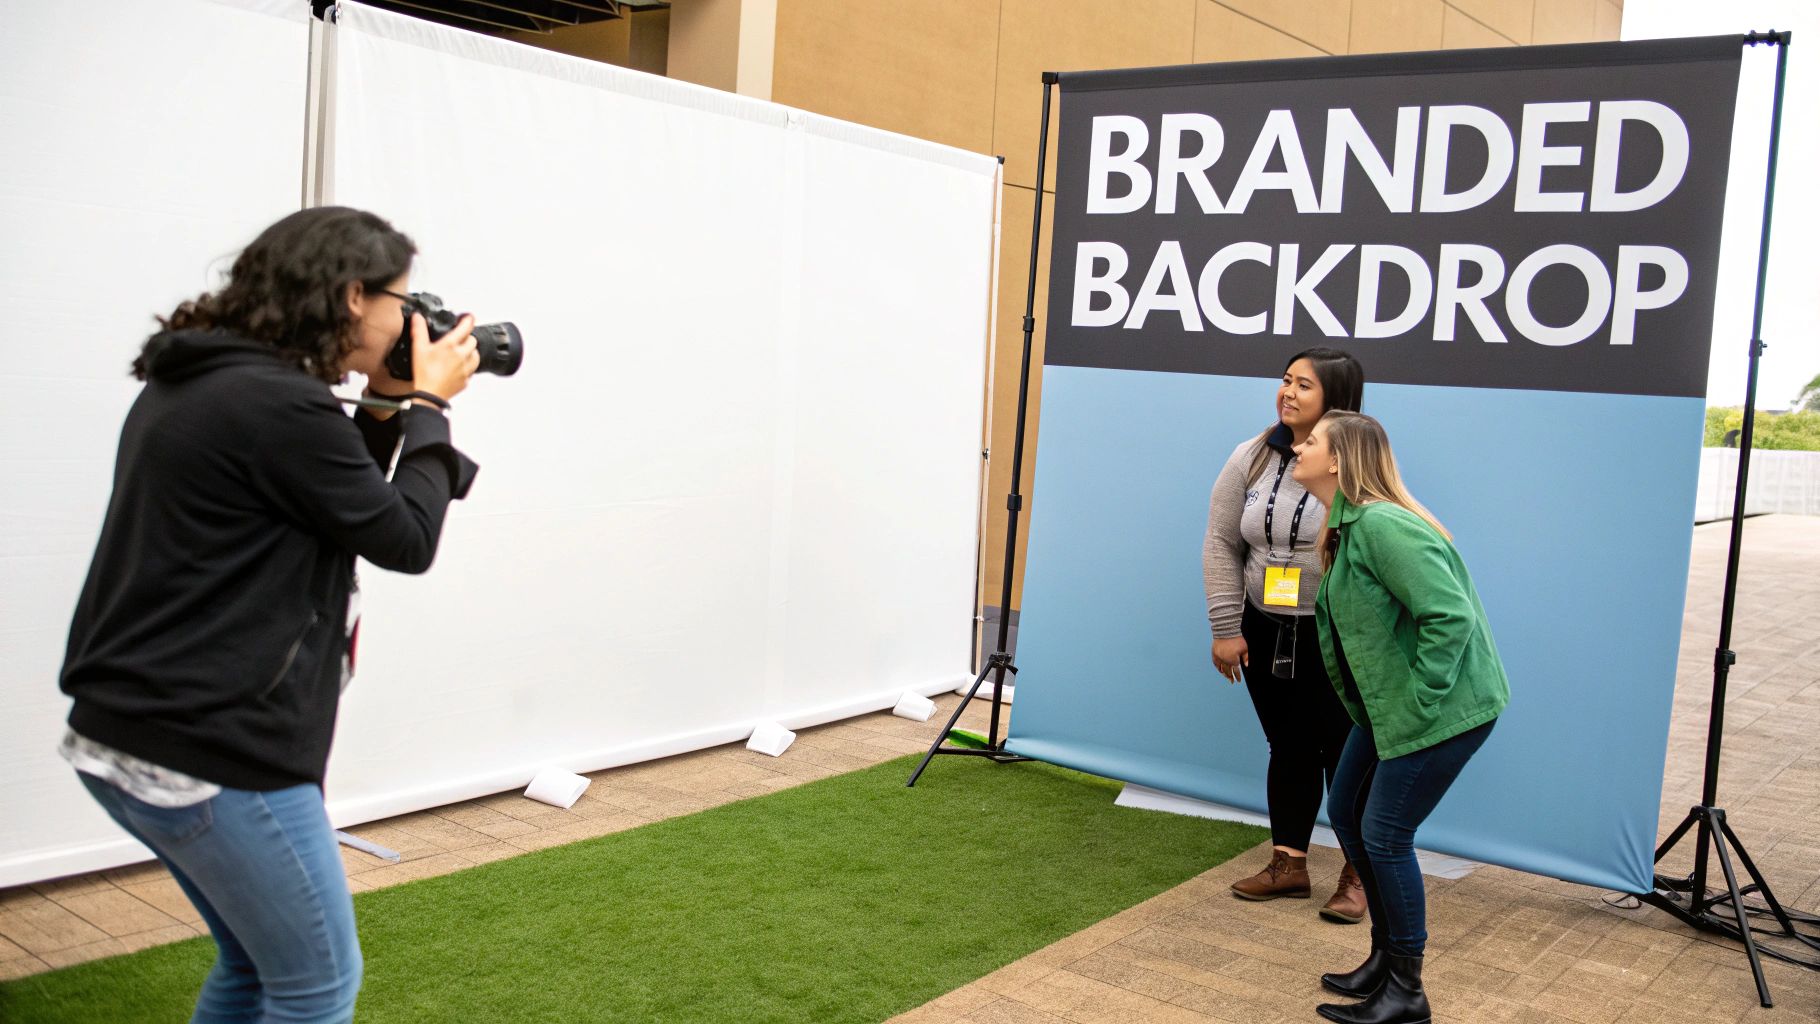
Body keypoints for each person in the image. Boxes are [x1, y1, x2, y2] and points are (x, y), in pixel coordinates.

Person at [58, 206, 482, 1024]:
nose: (410, 321)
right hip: (213, 750)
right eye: (403, 303)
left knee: (256, 970)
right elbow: (402, 536)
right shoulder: (277, 404)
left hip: (133, 733)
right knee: (316, 985)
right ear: (354, 298)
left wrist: (389, 403)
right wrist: (431, 408)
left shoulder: (215, 379)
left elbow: (332, 499)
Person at [1292, 410, 1510, 1024]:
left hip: (1440, 709)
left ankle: (1407, 991)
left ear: (1338, 461)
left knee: (1386, 835)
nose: (1298, 446)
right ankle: (1384, 961)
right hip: (1388, 709)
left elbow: (1450, 617)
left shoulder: (1385, 526)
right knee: (1346, 813)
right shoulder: (1347, 528)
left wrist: (1420, 701)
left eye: (1311, 442)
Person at [1203, 347, 1367, 922]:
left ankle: (1358, 874)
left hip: (1338, 632)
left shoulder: (1358, 460)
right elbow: (1222, 541)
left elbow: (1372, 544)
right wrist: (1226, 626)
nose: (1287, 393)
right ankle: (1289, 864)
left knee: (1347, 753)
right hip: (1263, 624)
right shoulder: (1251, 455)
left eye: (1304, 385)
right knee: (1289, 744)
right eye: (1285, 381)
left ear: (1335, 399)